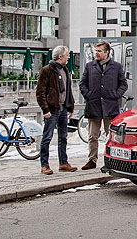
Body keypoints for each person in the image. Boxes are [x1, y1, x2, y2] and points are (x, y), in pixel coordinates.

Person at [79, 40, 128, 171]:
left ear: (107, 52)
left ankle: (111, 160)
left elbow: (123, 84)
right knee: (92, 136)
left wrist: (115, 95)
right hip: (94, 105)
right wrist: (88, 95)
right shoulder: (90, 66)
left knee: (111, 136)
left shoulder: (116, 67)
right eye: (96, 51)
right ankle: (92, 160)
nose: (97, 53)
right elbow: (82, 83)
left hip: (110, 106)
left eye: (99, 51)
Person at [35, 46, 77, 175]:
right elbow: (40, 92)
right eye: (67, 55)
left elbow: (68, 90)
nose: (68, 57)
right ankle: (44, 165)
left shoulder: (65, 70)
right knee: (47, 137)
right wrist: (45, 109)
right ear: (60, 57)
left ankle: (63, 163)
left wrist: (70, 107)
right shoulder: (47, 70)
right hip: (52, 109)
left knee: (63, 137)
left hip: (63, 108)